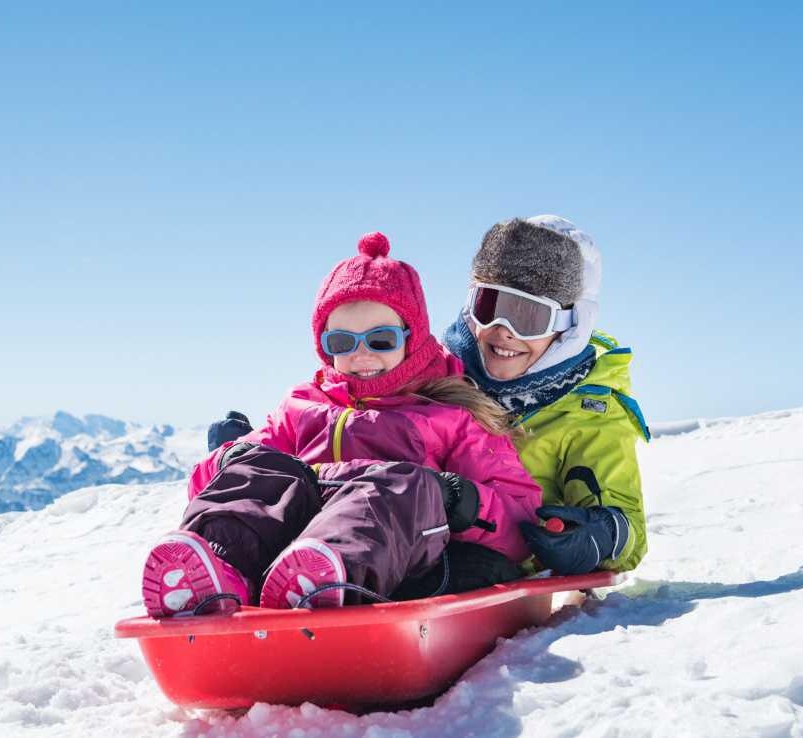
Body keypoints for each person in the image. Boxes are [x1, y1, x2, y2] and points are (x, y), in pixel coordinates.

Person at [141, 233, 542, 618]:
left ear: (412, 337)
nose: (362, 355)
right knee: (262, 466)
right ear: (324, 347)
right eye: (342, 343)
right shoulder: (301, 406)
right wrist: (230, 457)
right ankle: (216, 570)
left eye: (381, 340)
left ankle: (324, 577)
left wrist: (459, 500)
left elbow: (518, 521)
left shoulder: (450, 416)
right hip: (286, 547)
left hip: (398, 563)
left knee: (402, 485)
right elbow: (221, 486)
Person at [442, 216, 649, 575]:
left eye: (528, 317)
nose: (503, 331)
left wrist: (598, 534)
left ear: (569, 327)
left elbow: (626, 524)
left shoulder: (588, 412)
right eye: (490, 307)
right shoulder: (438, 381)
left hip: (497, 564)